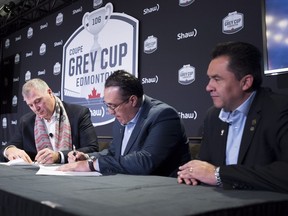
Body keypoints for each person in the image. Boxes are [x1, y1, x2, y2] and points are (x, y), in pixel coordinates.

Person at [177, 41, 288, 193]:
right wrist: (193, 174)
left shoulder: (280, 110)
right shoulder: (213, 116)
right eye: (209, 78)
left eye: (217, 79)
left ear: (245, 82)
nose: (208, 87)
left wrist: (219, 175)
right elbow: (205, 164)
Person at [57, 70, 190, 177]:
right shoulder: (122, 116)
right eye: (107, 105)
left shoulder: (163, 116)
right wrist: (87, 157)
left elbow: (146, 161)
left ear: (132, 100)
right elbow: (114, 153)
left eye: (113, 106)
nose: (110, 112)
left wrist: (92, 165)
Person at [0, 78, 99, 164]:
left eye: (38, 101)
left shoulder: (78, 113)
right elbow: (6, 148)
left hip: (71, 175)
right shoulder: (26, 122)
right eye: (30, 105)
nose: (35, 108)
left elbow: (92, 149)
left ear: (50, 92)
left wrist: (59, 156)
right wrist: (9, 150)